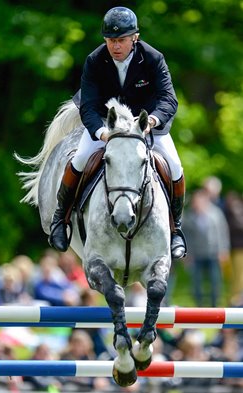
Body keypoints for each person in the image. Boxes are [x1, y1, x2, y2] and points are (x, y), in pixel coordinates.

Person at [49, 6, 186, 259]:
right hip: (106, 123)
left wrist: (152, 121)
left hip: (144, 125)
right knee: (79, 159)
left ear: (135, 37)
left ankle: (176, 229)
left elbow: (169, 99)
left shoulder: (153, 58)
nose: (115, 46)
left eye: (121, 40)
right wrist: (101, 133)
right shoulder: (94, 60)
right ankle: (61, 219)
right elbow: (88, 106)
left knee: (175, 166)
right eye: (110, 40)